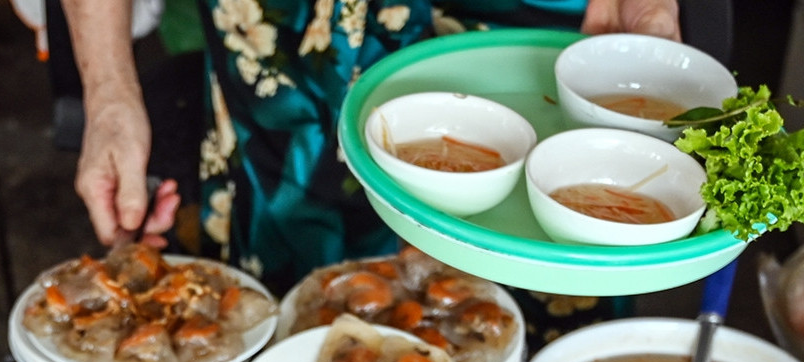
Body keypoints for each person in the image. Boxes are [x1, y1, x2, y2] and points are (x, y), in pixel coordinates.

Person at [61, 0, 682, 292]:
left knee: (529, 306)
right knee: (290, 334)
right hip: (280, 44)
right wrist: (109, 93)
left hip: (517, 36)